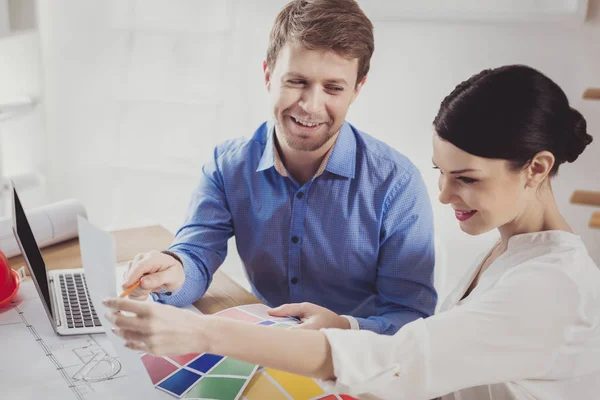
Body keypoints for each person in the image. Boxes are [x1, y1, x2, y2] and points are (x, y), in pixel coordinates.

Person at [106, 65, 600, 400]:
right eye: (441, 173)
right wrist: (349, 325)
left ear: (536, 167)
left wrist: (205, 332)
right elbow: (435, 343)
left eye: (467, 179)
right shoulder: (512, 250)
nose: (445, 196)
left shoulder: (552, 289)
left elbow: (400, 360)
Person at [120, 0, 437, 335]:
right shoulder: (227, 165)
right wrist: (175, 270)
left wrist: (345, 328)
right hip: (265, 345)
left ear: (357, 89)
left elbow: (411, 318)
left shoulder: (397, 184)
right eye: (296, 81)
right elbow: (195, 256)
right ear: (268, 76)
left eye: (333, 88)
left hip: (357, 362)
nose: (311, 106)